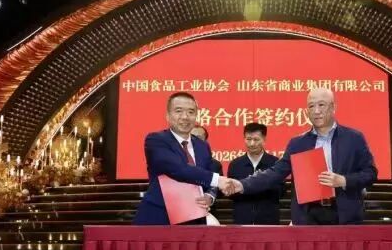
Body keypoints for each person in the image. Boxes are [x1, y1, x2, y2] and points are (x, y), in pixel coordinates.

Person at [223, 88, 377, 225]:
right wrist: (242, 184)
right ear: (306, 111)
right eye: (311, 106)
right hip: (309, 216)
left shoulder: (354, 138)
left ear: (333, 107)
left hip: (344, 214)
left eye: (321, 105)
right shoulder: (298, 143)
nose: (316, 111)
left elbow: (370, 173)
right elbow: (275, 173)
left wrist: (344, 180)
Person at [134, 92, 232, 225]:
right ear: (168, 115)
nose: (185, 117)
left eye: (191, 112)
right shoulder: (156, 140)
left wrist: (209, 196)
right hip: (159, 219)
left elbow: (209, 176)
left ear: (196, 116)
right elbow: (178, 169)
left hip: (195, 219)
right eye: (178, 111)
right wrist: (218, 180)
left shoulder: (203, 146)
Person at [227, 122, 284, 225]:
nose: (252, 144)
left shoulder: (275, 163)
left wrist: (260, 182)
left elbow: (281, 191)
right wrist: (245, 185)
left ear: (264, 140)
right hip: (242, 220)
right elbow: (231, 194)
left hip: (268, 220)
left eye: (256, 139)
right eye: (248, 139)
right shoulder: (235, 164)